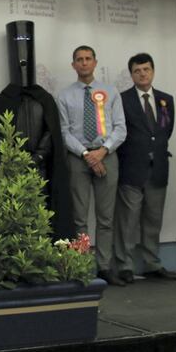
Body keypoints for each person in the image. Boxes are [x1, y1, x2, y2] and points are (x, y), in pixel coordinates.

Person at [0, 21, 73, 239]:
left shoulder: (44, 98)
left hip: (41, 170)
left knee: (42, 216)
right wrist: (13, 160)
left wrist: (37, 157)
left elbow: (51, 131)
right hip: (12, 172)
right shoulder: (2, 100)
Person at [57, 46, 127, 286]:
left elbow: (120, 128)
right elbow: (64, 132)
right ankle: (82, 266)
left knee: (106, 218)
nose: (84, 63)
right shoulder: (65, 96)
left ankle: (105, 267)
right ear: (73, 65)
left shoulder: (111, 92)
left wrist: (103, 151)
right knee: (79, 218)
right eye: (79, 60)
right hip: (78, 158)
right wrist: (87, 154)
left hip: (107, 155)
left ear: (95, 63)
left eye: (88, 59)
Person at [114, 53, 176, 283]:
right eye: (137, 70)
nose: (142, 74)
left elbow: (165, 132)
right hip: (131, 167)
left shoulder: (165, 99)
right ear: (131, 74)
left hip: (158, 167)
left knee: (153, 220)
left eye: (146, 69)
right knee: (128, 221)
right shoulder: (122, 99)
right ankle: (124, 265)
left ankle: (152, 263)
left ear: (153, 71)